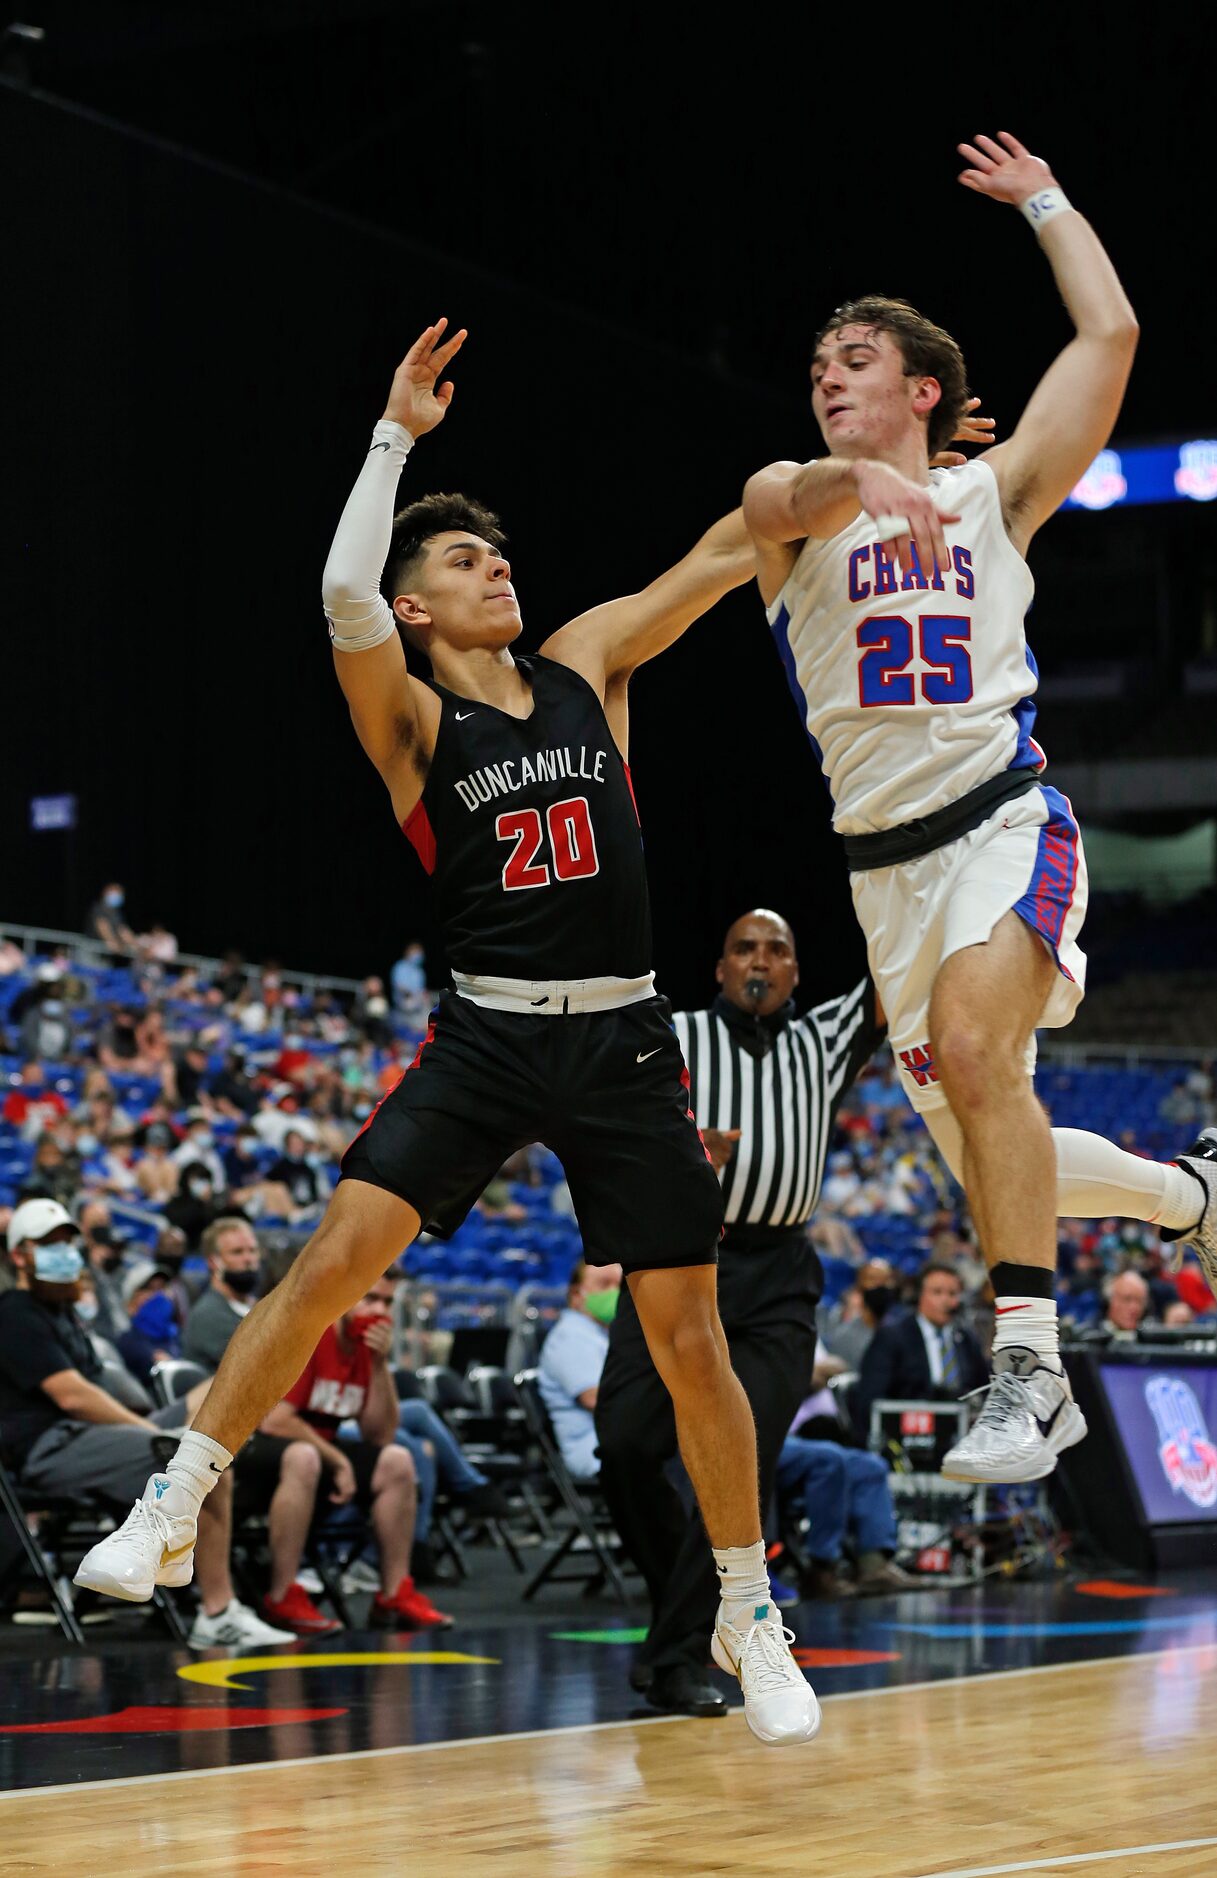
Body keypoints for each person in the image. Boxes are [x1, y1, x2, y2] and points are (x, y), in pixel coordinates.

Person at [76, 319, 818, 1747]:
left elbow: (732, 542)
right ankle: (174, 1502)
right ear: (417, 608)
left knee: (687, 1337)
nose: (499, 568)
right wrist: (396, 435)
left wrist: (876, 473)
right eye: (467, 563)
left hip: (617, 1039)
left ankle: (745, 1606)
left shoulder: (586, 662)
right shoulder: (407, 718)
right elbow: (338, 584)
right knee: (328, 1260)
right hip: (486, 1033)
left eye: (498, 556)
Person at [741, 131, 1217, 1485]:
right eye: (818, 364)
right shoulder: (792, 515)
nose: (826, 376)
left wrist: (1049, 202)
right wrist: (851, 482)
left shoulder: (991, 494)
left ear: (922, 387)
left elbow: (1111, 334)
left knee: (975, 1043)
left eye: (855, 363)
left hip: (997, 820)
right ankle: (1193, 1194)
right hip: (878, 873)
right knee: (987, 1145)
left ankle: (1030, 1367)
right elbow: (775, 489)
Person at [595, 908, 883, 1717]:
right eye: (745, 948)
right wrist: (681, 1153)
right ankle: (681, 1615)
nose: (761, 959)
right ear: (719, 966)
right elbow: (610, 1133)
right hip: (678, 1260)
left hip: (779, 1276)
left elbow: (897, 981)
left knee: (740, 1457)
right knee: (623, 1443)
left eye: (778, 949)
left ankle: (681, 1653)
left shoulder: (825, 1037)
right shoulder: (673, 1032)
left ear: (796, 971)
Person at [0, 1200, 290, 1647]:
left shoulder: (63, 1314)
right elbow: (73, 1397)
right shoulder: (15, 1311)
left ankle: (175, 1541)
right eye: (49, 1244)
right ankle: (217, 1610)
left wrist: (148, 1426)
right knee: (201, 1461)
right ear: (19, 1255)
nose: (65, 1253)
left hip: (99, 1437)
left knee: (216, 1390)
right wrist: (152, 1432)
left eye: (68, 1243)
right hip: (51, 1446)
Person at [259, 1275, 451, 1632]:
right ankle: (281, 1594)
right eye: (370, 1299)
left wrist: (380, 1366)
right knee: (306, 1456)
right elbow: (276, 1421)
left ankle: (393, 1593)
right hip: (263, 1449)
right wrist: (339, 1460)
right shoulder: (313, 1335)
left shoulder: (364, 1348)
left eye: (387, 1303)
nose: (379, 1311)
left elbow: (380, 1434)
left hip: (319, 1450)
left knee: (397, 1461)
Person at [854, 1262, 989, 1437]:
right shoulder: (893, 1337)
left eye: (952, 1293)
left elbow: (985, 1390)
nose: (946, 1300)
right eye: (937, 1292)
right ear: (920, 1296)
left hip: (960, 1434)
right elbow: (871, 1397)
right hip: (908, 1433)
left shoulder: (966, 1339)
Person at [537, 1260, 624, 1479]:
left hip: (617, 1438)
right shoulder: (571, 1336)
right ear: (577, 1294)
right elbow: (595, 1399)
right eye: (604, 1285)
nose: (614, 1293)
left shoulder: (604, 1334)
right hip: (593, 1447)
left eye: (620, 1286)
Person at [183, 1217, 264, 1370]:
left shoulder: (259, 1306)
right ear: (214, 1262)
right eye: (237, 1252)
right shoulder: (207, 1314)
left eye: (252, 1250)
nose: (248, 1259)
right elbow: (261, 1362)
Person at [820, 1258, 902, 1371]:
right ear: (860, 1282)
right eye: (873, 1279)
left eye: (885, 1280)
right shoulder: (844, 1328)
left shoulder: (900, 1320)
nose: (879, 1285)